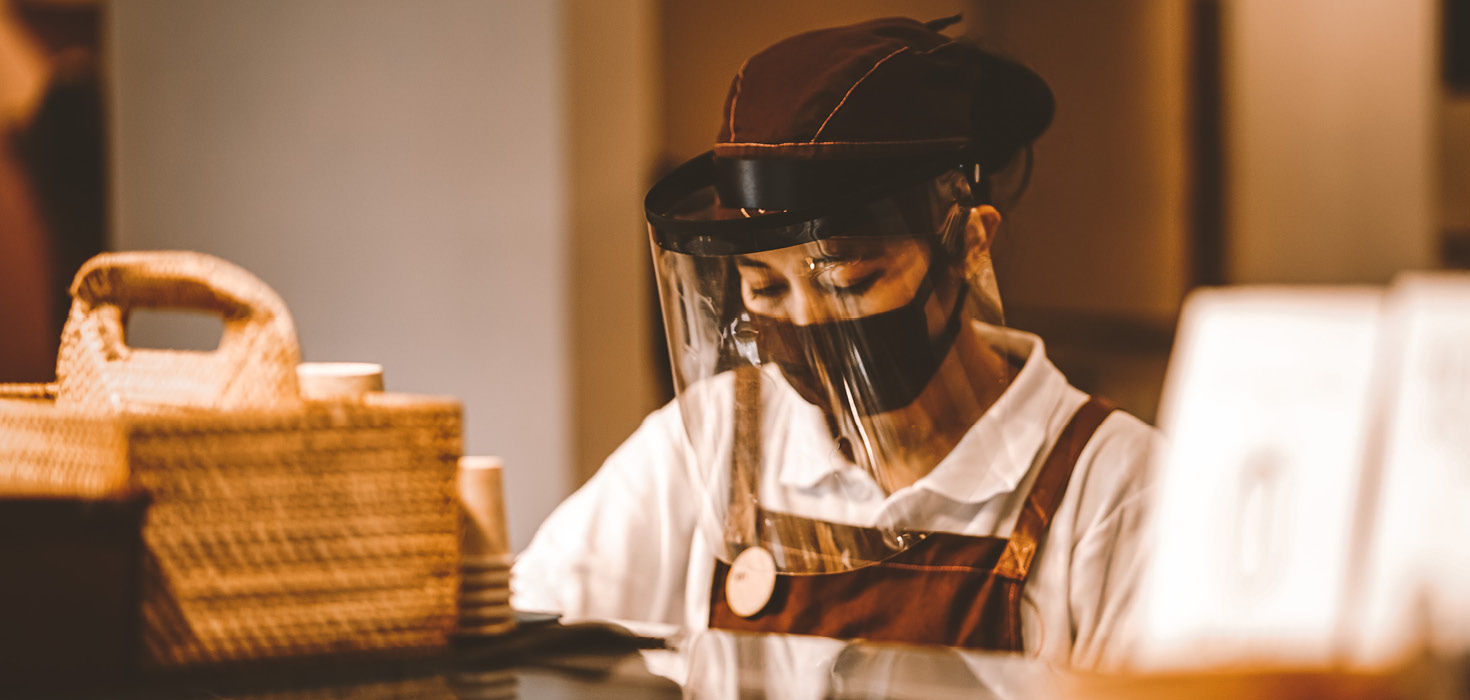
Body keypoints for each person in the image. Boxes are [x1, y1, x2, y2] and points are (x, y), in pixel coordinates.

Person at [512, 15, 1157, 669]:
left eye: (847, 281)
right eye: (765, 289)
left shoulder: (1112, 488)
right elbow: (533, 630)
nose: (805, 320)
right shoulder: (714, 441)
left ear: (969, 242)